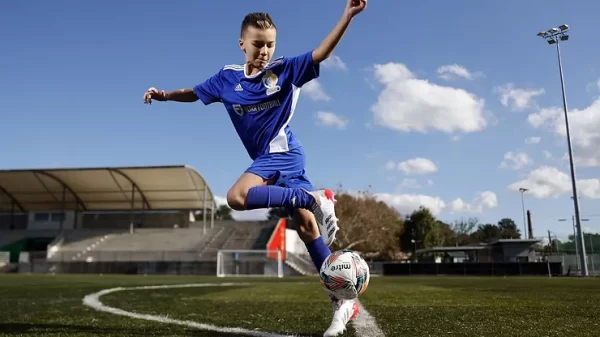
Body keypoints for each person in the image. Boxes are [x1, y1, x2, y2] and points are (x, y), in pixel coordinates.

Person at [143, 1, 367, 335]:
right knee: (307, 229)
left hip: (285, 153)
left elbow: (320, 54)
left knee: (236, 196)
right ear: (242, 44)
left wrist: (346, 16)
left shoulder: (285, 70)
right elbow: (195, 93)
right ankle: (343, 300)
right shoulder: (227, 78)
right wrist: (164, 95)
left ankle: (312, 199)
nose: (264, 50)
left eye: (270, 44)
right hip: (268, 159)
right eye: (258, 43)